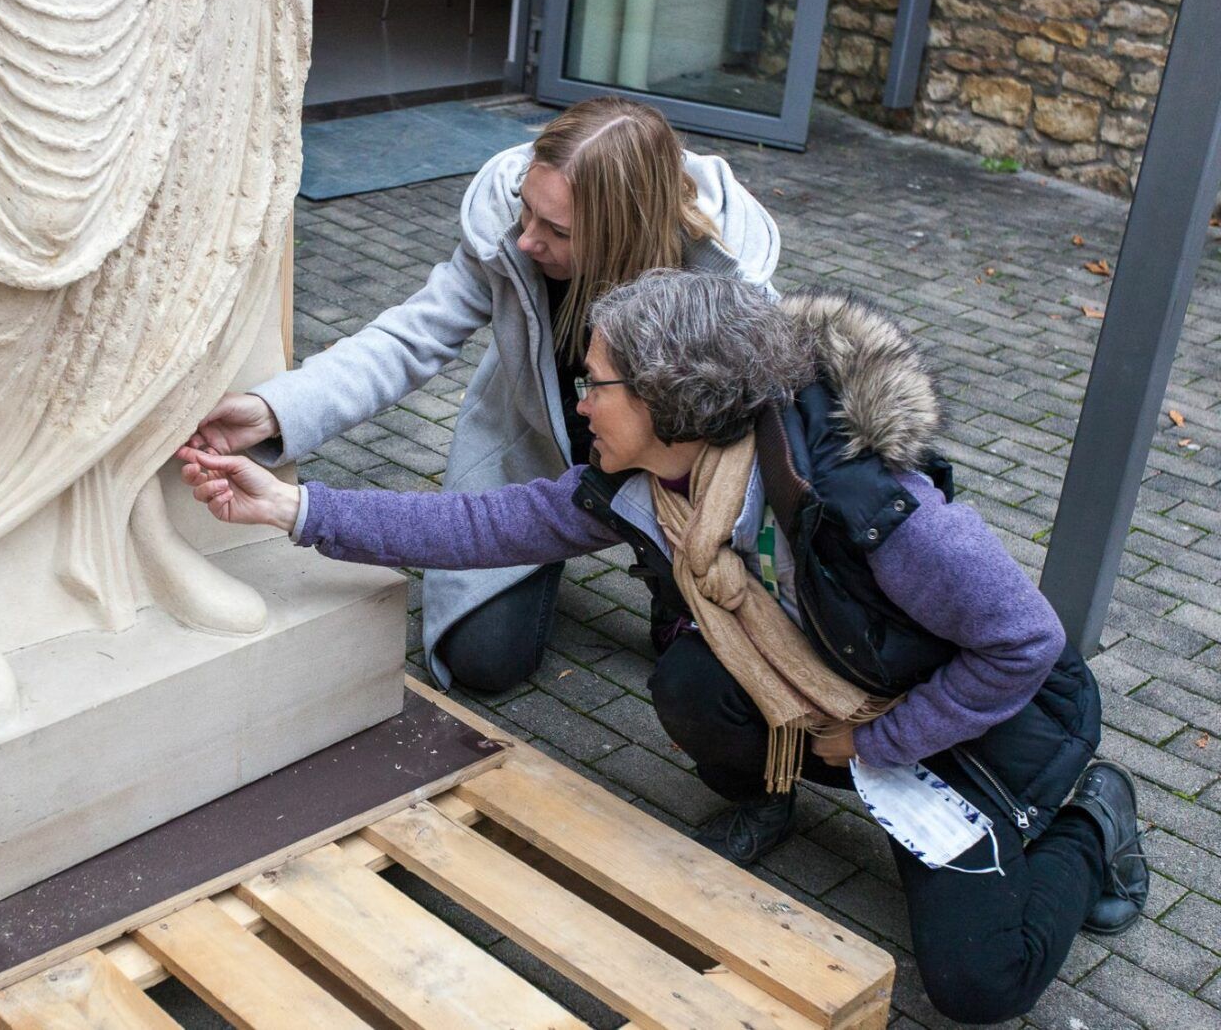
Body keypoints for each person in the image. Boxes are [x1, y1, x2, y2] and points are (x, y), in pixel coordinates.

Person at [176, 272, 1149, 1024]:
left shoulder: (870, 504)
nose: (580, 397)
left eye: (596, 380)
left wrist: (889, 744)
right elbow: (479, 525)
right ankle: (777, 790)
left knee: (980, 983)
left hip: (982, 732)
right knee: (690, 678)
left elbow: (1025, 644)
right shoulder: (652, 486)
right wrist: (294, 508)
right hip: (846, 701)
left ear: (670, 400)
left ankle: (1092, 822)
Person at [190, 96, 780, 694]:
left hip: (673, 483)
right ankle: (551, 544)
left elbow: (756, 466)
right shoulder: (509, 231)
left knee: (712, 670)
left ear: (622, 233)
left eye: (556, 231)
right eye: (528, 210)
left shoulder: (726, 298)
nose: (525, 241)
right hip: (539, 453)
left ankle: (670, 570)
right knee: (481, 659)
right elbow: (406, 338)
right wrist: (275, 410)